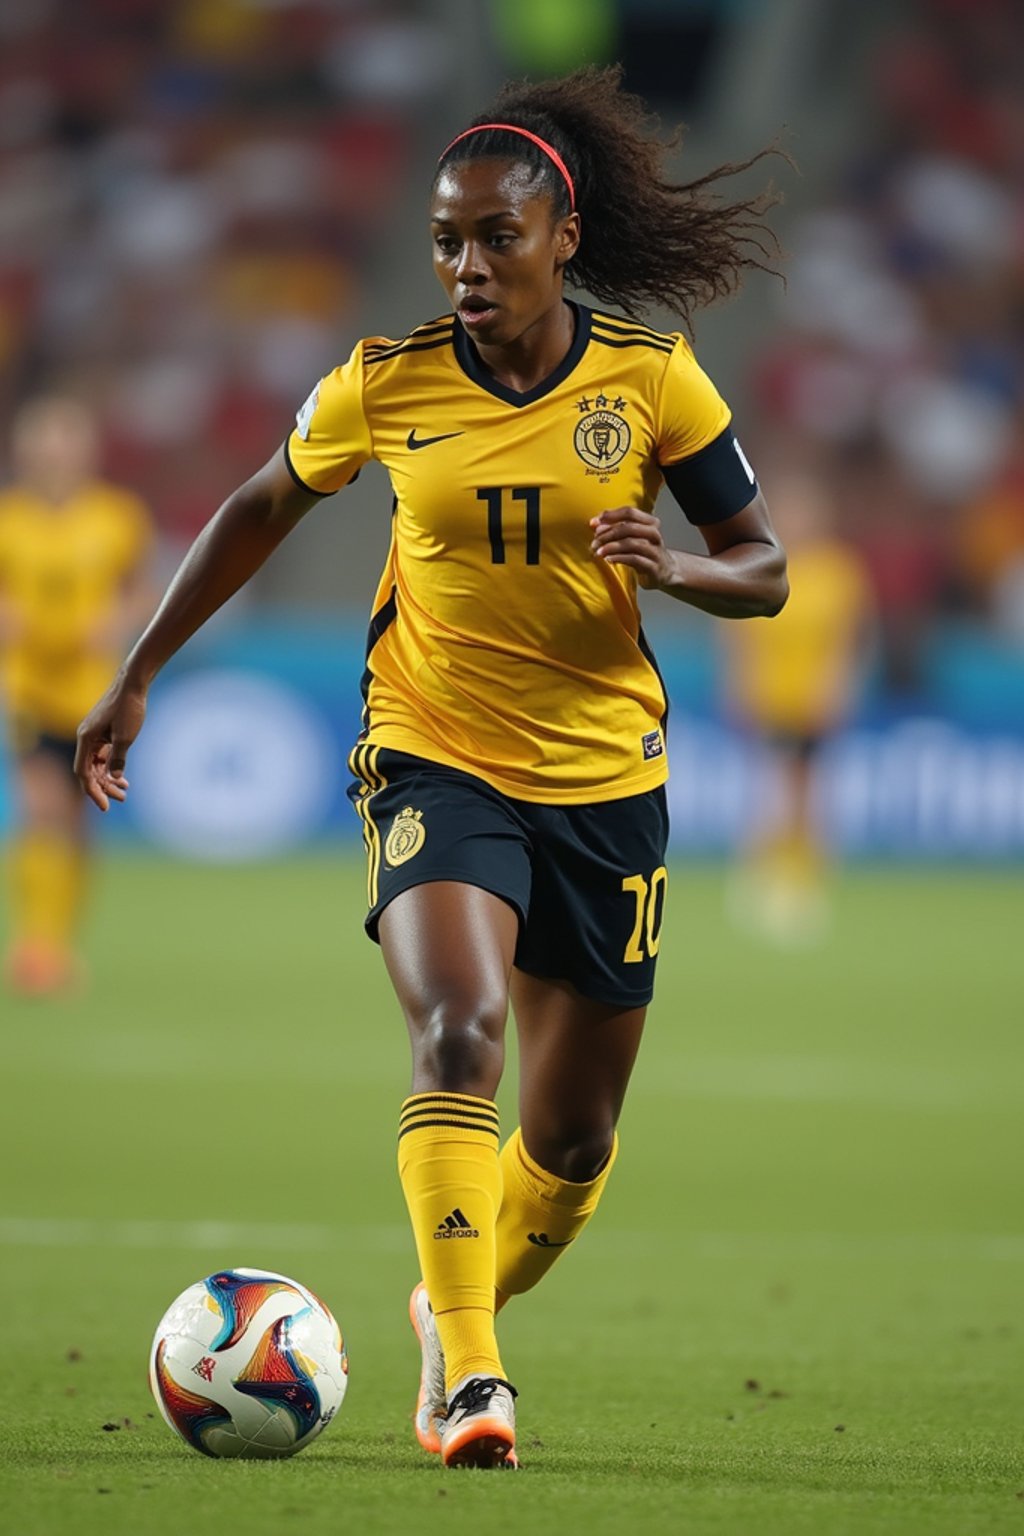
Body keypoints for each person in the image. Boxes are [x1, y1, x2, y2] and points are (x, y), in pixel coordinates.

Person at [75, 66, 788, 1468]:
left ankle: (442, 1299)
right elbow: (259, 503)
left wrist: (680, 565)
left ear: (561, 237)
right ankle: (473, 1374)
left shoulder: (649, 375)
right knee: (458, 1029)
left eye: (496, 239)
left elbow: (766, 569)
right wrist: (139, 669)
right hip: (433, 751)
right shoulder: (385, 381)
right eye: (446, 241)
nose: (466, 266)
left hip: (604, 779)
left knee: (571, 1148)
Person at [0, 396, 154, 995]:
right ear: (27, 451)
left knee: (80, 827)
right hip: (29, 686)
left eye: (67, 444)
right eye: (46, 445)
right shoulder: (9, 518)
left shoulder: (116, 517)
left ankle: (60, 939)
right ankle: (38, 946)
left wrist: (118, 617)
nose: (56, 456)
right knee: (43, 810)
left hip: (94, 695)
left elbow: (144, 590)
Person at [721, 463, 874, 943]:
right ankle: (763, 878)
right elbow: (738, 634)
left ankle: (803, 883)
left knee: (809, 792)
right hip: (772, 697)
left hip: (814, 700)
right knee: (773, 792)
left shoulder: (838, 570)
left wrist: (841, 686)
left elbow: (851, 639)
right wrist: (740, 685)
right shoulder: (765, 561)